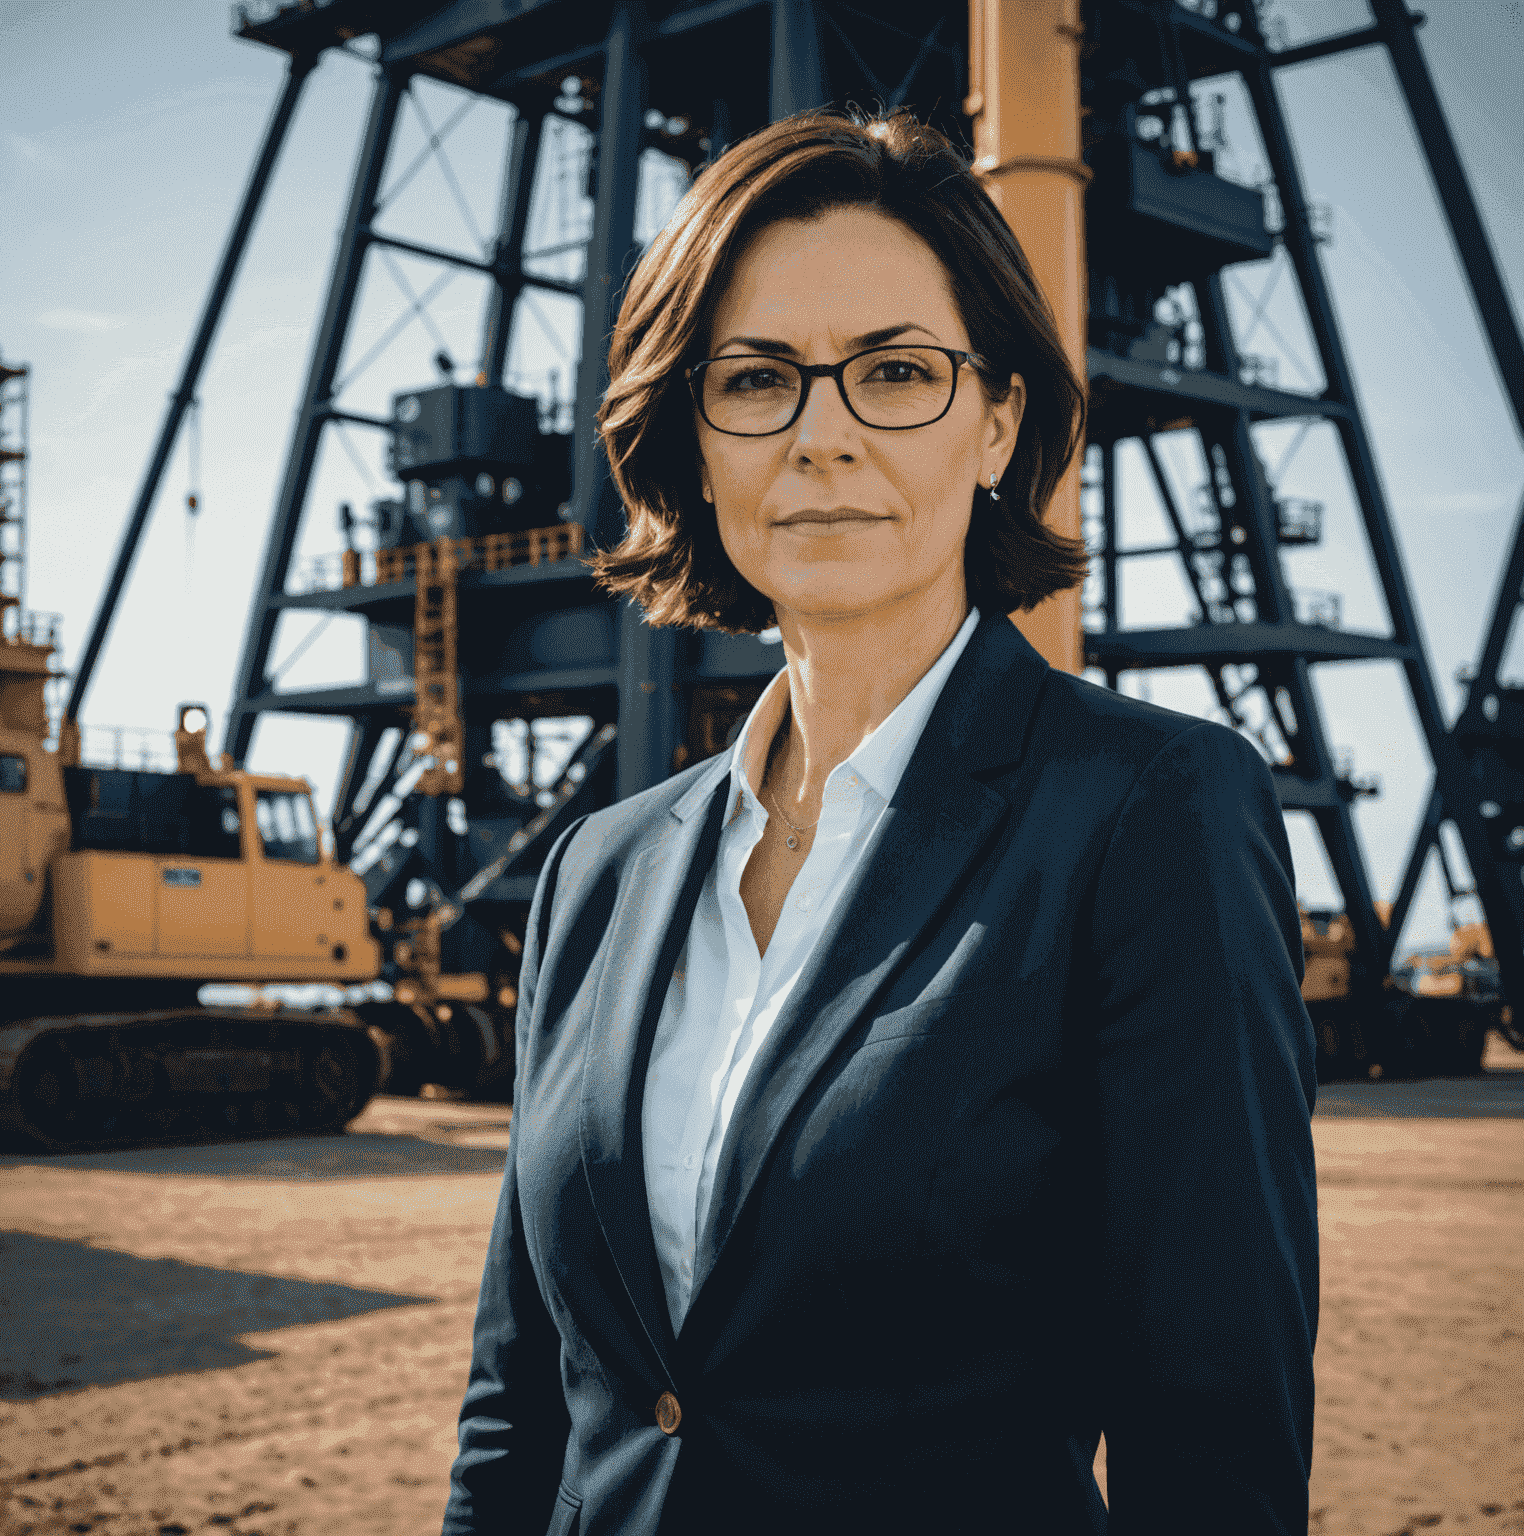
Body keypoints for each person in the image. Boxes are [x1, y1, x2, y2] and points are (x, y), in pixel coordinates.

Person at [444, 107, 1318, 1536]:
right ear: (693, 440)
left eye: (897, 373)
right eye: (758, 379)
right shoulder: (598, 875)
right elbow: (521, 1398)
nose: (824, 434)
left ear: (999, 423)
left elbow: (1209, 1418)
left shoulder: (1149, 813)